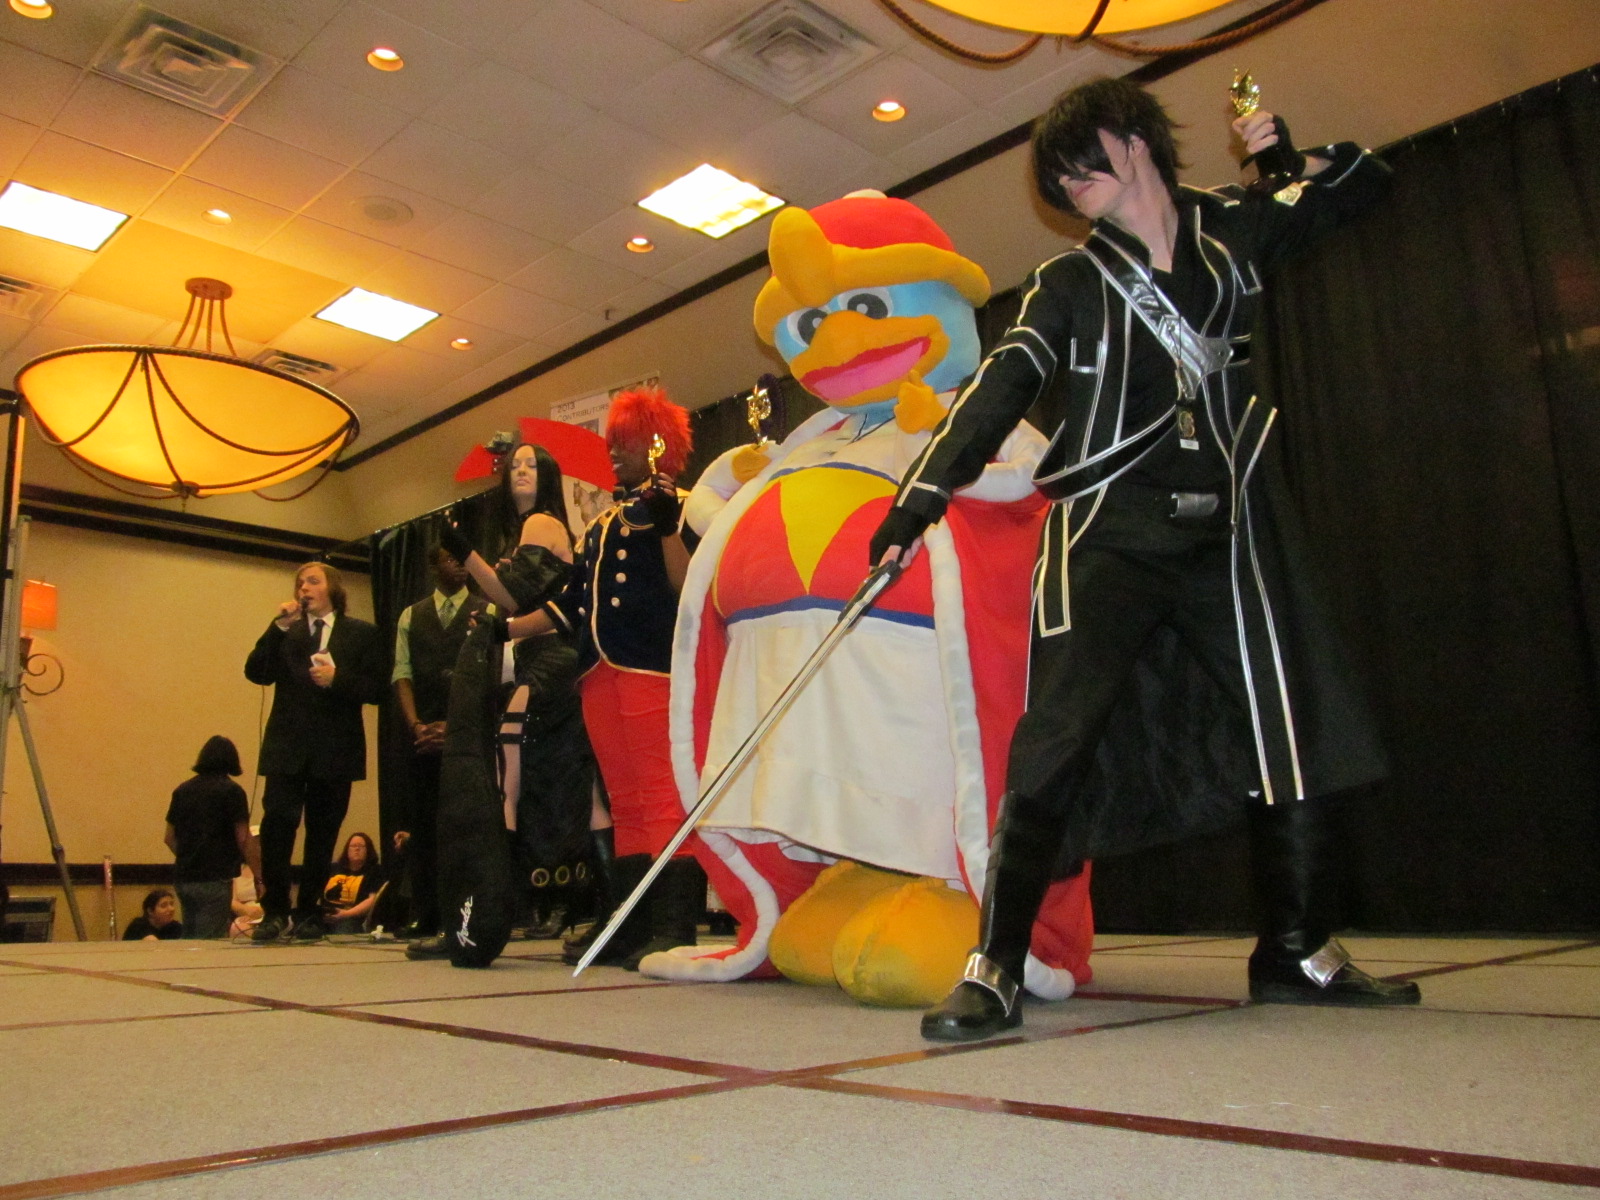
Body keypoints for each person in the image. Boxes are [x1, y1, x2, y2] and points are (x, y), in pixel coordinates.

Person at [869, 76, 1420, 1041]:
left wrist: (1287, 165)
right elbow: (999, 389)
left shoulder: (1235, 230)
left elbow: (1368, 184)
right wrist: (919, 498)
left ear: (1130, 141)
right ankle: (995, 966)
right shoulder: (1069, 282)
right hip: (1110, 531)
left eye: (1077, 164)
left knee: (1289, 720)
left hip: (1229, 528)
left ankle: (1294, 948)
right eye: (1057, 178)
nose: (1067, 186)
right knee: (1056, 738)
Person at [522, 387, 707, 970]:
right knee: (624, 802)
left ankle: (674, 925)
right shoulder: (600, 524)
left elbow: (690, 588)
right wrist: (506, 627)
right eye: (612, 442)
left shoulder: (684, 508)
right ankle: (632, 925)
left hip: (652, 666)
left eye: (624, 442)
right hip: (599, 670)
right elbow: (571, 603)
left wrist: (668, 526)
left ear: (656, 445)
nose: (613, 452)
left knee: (663, 795)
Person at [415, 441, 595, 966]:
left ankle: (493, 903)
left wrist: (462, 549)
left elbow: (511, 598)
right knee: (569, 782)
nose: (520, 470)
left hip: (551, 657)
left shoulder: (541, 523)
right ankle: (535, 901)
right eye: (514, 465)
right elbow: (509, 597)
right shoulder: (533, 531)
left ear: (549, 474)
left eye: (531, 464)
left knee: (510, 769)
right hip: (552, 658)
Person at [245, 561, 386, 943]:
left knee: (323, 834)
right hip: (287, 748)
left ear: (332, 589)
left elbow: (378, 689)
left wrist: (339, 679)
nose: (303, 588)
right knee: (277, 826)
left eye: (312, 581)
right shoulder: (286, 631)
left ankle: (309, 911)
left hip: (335, 750)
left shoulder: (361, 634)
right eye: (299, 583)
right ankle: (275, 910)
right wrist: (277, 627)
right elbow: (256, 671)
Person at [391, 545, 480, 941]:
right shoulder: (411, 615)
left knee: (463, 827)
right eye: (449, 559)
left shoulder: (486, 610)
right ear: (433, 566)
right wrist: (416, 726)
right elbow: (402, 674)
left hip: (467, 736)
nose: (459, 565)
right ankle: (425, 912)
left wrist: (456, 726)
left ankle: (462, 914)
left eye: (463, 559)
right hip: (422, 737)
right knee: (423, 828)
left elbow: (491, 675)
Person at [164, 735, 263, 939]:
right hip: (215, 877)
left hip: (184, 877)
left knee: (190, 937)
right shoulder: (233, 792)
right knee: (210, 940)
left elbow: (169, 837)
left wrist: (189, 856)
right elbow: (243, 839)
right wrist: (259, 877)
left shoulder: (182, 790)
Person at [322, 832, 384, 933]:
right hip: (326, 914)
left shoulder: (374, 871)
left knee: (343, 929)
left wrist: (345, 914)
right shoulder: (334, 868)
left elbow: (372, 900)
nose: (357, 849)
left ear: (368, 850)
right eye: (353, 846)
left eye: (361, 846)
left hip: (352, 917)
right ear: (347, 849)